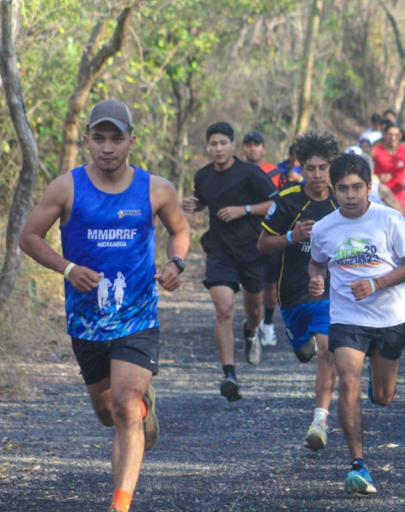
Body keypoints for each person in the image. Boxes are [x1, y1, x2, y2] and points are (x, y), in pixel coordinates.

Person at [18, 99, 191, 512]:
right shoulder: (66, 187)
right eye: (100, 138)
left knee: (125, 407)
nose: (108, 147)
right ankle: (143, 408)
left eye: (117, 138)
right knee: (106, 412)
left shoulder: (155, 188)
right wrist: (67, 268)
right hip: (86, 321)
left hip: (137, 316)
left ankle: (120, 504)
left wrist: (175, 262)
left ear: (132, 140)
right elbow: (29, 238)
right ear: (87, 140)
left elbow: (180, 230)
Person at [308, 153, 405, 496]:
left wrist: (376, 284)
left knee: (384, 398)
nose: (351, 195)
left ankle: (378, 375)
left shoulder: (390, 219)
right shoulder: (324, 228)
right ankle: (358, 465)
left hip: (389, 318)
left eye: (357, 187)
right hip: (347, 318)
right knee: (348, 380)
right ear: (333, 190)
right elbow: (316, 265)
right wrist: (316, 281)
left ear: (369, 187)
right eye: (343, 189)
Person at [182, 122, 277, 402]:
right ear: (208, 147)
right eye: (214, 144)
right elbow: (203, 200)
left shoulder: (251, 174)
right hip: (220, 251)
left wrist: (243, 210)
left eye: (224, 143)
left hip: (252, 250)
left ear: (233, 146)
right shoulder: (203, 175)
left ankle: (250, 333)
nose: (219, 148)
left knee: (253, 313)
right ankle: (229, 375)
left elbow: (275, 204)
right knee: (223, 309)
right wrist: (194, 204)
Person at [258, 131, 339, 452]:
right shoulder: (287, 199)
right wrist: (291, 236)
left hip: (330, 291)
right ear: (301, 168)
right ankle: (297, 338)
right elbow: (263, 244)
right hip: (292, 294)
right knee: (306, 352)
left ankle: (319, 420)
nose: (318, 175)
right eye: (311, 168)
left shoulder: (341, 199)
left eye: (323, 168)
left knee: (327, 350)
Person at [243, 131, 284, 346]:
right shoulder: (236, 171)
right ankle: (253, 319)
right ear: (242, 149)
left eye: (256, 145)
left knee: (270, 282)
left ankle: (267, 323)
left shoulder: (276, 172)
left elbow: (283, 201)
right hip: (245, 236)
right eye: (248, 145)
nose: (252, 149)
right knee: (250, 283)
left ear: (263, 148)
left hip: (271, 233)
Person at [372, 122, 405, 211]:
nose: (393, 138)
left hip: (398, 196)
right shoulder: (375, 151)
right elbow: (366, 171)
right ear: (384, 135)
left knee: (400, 221)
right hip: (380, 195)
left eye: (396, 135)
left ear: (400, 136)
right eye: (390, 134)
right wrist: (377, 177)